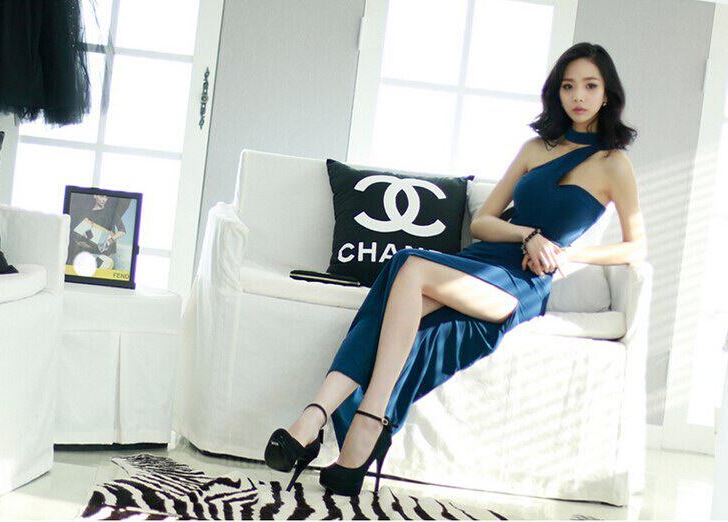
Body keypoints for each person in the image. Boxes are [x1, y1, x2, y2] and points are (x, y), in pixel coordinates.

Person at [264, 42, 647, 497]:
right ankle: (339, 442)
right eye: (568, 86)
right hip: (483, 260)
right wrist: (527, 234)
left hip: (521, 283)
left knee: (406, 266)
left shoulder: (613, 163)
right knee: (396, 297)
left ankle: (341, 417)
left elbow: (636, 246)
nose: (578, 96)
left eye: (590, 86)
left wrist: (567, 255)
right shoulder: (535, 149)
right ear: (556, 92)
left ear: (607, 93)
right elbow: (484, 221)